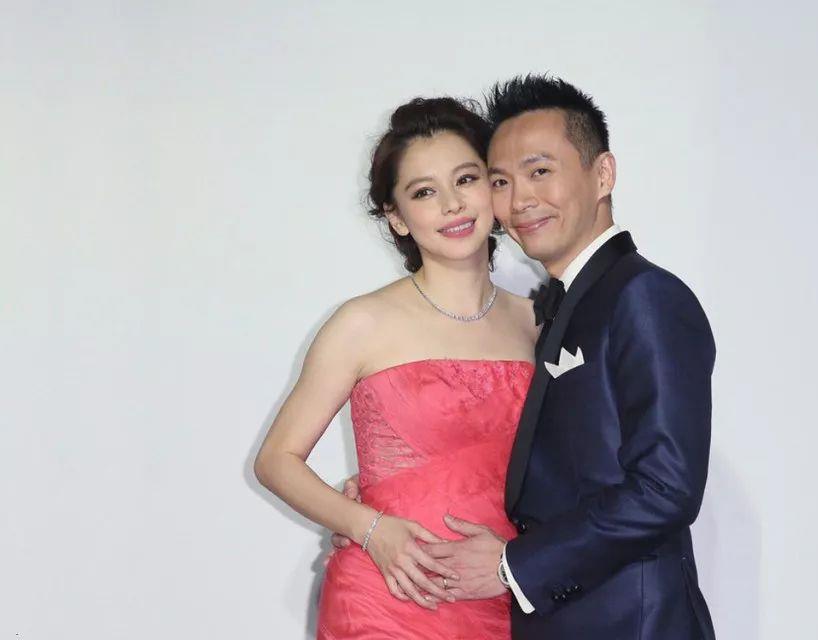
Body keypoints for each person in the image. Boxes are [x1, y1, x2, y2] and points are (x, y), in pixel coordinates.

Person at [336, 75, 718, 639]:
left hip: (630, 622)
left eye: (540, 172)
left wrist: (511, 567)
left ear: (603, 174)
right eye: (501, 181)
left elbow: (666, 488)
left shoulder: (643, 296)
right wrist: (383, 498)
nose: (520, 201)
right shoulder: (553, 310)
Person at [254, 97, 537, 639]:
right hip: (387, 600)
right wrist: (369, 528)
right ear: (397, 217)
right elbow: (276, 460)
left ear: (494, 188)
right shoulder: (362, 322)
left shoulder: (537, 324)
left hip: (502, 597)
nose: (452, 204)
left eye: (466, 179)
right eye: (424, 192)